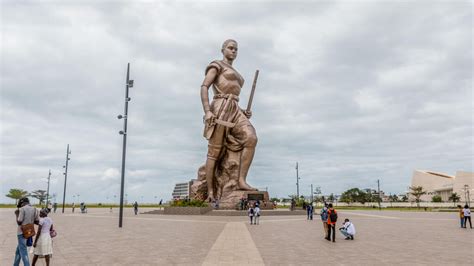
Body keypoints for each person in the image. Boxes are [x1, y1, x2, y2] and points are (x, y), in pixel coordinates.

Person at [200, 39, 258, 201]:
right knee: (214, 152)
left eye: (236, 49)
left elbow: (234, 95)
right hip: (220, 107)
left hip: (235, 108)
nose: (234, 51)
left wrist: (242, 111)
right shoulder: (217, 65)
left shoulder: (237, 72)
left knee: (251, 137)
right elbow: (204, 86)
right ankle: (211, 192)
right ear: (223, 49)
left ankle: (241, 180)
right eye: (231, 48)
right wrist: (207, 111)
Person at [14, 197, 39, 266]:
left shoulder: (22, 209)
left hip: (21, 233)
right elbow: (37, 221)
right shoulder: (34, 209)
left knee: (24, 252)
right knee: (18, 251)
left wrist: (16, 214)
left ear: (22, 203)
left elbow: (19, 222)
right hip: (29, 232)